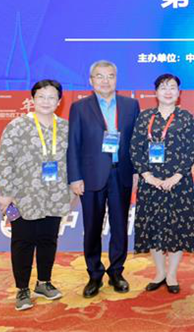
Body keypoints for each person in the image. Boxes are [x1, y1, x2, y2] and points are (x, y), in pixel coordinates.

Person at [67, 60, 140, 298]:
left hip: (121, 173)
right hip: (91, 176)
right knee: (92, 228)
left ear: (116, 79)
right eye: (99, 76)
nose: (105, 81)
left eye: (110, 76)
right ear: (91, 81)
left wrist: (137, 171)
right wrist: (75, 177)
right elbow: (73, 145)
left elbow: (136, 142)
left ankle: (116, 272)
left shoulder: (131, 105)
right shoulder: (79, 107)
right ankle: (94, 274)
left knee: (120, 227)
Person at [0, 79, 70, 311]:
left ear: (59, 101)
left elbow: (74, 160)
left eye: (51, 97)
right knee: (23, 242)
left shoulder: (66, 127)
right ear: (33, 99)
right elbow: (4, 160)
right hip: (24, 195)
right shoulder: (17, 126)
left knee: (49, 239)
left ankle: (44, 283)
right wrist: (6, 192)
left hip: (55, 194)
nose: (46, 101)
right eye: (41, 97)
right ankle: (22, 289)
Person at [130, 74, 194, 294]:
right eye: (163, 87)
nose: (168, 91)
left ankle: (172, 275)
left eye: (172, 87)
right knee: (154, 228)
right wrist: (148, 176)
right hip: (150, 183)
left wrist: (176, 176)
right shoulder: (145, 117)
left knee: (177, 229)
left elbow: (192, 149)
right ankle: (159, 272)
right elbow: (135, 148)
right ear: (155, 92)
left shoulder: (186, 117)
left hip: (179, 184)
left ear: (179, 93)